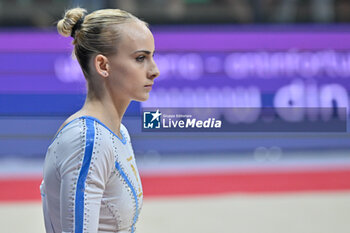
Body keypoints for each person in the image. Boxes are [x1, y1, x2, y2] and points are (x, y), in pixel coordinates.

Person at [40, 7, 160, 233]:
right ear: (103, 65)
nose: (154, 70)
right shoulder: (88, 141)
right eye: (141, 58)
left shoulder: (117, 132)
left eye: (152, 57)